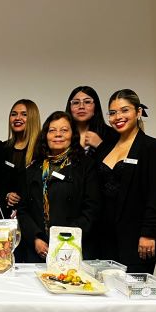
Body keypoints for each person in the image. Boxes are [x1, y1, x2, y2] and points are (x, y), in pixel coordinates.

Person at [94, 89, 156, 274]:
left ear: (138, 112)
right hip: (103, 238)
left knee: (132, 298)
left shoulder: (153, 148)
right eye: (112, 113)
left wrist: (149, 234)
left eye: (124, 110)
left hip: (137, 240)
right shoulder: (104, 147)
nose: (118, 117)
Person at [16, 111, 101, 262]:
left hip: (71, 247)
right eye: (52, 130)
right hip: (37, 249)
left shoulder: (85, 166)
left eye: (64, 130)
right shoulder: (33, 169)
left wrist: (62, 240)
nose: (58, 135)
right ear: (46, 136)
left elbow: (91, 209)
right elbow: (23, 210)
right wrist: (35, 238)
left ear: (72, 135)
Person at [0, 99, 41, 220]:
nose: (18, 118)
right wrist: (6, 195)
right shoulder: (2, 148)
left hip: (33, 218)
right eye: (14, 114)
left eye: (24, 114)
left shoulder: (42, 150)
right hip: (5, 218)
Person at [65, 85, 117, 155]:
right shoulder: (60, 134)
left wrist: (100, 145)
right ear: (70, 107)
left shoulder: (112, 134)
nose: (81, 107)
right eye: (76, 102)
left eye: (87, 102)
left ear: (95, 107)